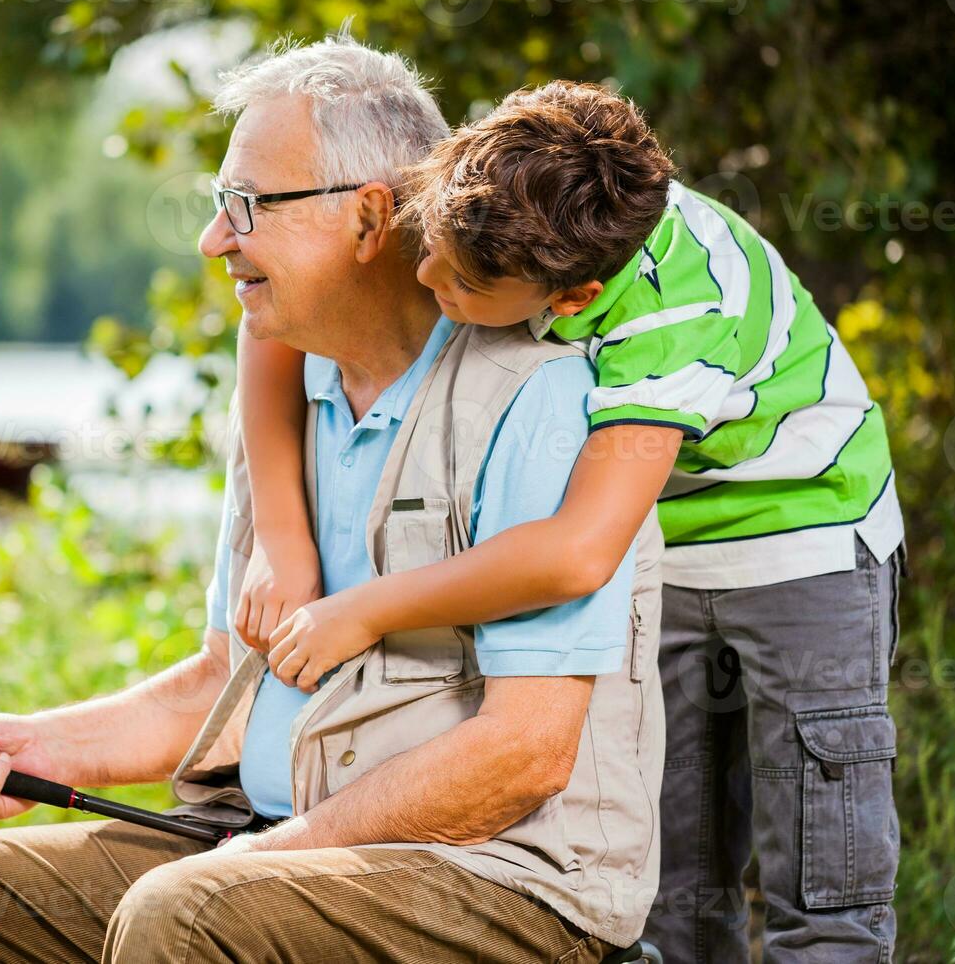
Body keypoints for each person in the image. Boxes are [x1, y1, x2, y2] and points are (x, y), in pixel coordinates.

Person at [0, 36, 663, 964]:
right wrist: (41, 746)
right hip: (268, 839)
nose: (214, 239)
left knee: (179, 914)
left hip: (505, 882)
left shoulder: (540, 402)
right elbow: (222, 679)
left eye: (246, 207)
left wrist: (272, 856)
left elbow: (525, 751)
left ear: (367, 219)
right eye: (216, 204)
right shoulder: (287, 387)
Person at [236, 79, 906, 960]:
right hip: (661, 543)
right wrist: (282, 543)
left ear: (576, 297)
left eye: (460, 286)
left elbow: (577, 553)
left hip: (803, 541)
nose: (424, 274)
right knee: (674, 877)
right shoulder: (494, 193)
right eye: (427, 247)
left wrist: (366, 607)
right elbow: (274, 312)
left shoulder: (674, 317)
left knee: (821, 885)